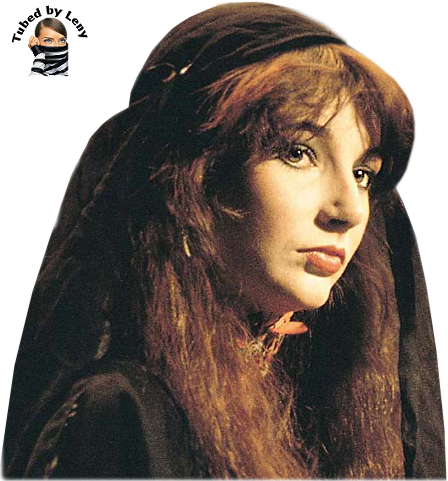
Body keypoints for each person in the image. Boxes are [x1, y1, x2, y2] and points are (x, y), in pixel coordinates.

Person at [2, 1, 447, 479]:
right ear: (192, 181)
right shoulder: (120, 416)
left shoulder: (334, 402)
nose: (350, 210)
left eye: (363, 172)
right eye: (298, 152)